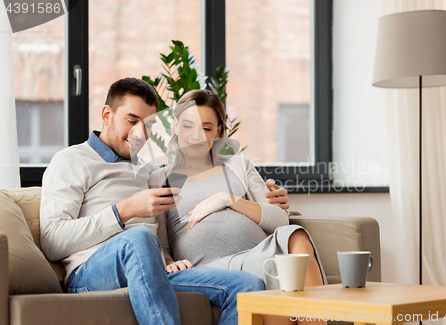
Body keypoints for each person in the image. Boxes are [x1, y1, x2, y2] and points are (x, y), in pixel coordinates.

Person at [39, 78, 290, 325]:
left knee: (247, 285)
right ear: (107, 114)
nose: (140, 134)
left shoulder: (152, 173)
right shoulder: (71, 160)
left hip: (152, 270)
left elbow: (163, 229)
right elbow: (52, 241)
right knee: (139, 237)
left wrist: (167, 260)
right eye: (131, 121)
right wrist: (122, 211)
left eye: (148, 125)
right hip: (92, 272)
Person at [150, 89, 326, 324]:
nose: (196, 136)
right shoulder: (161, 179)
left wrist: (228, 199)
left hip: (256, 252)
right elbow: (159, 241)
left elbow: (279, 219)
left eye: (207, 127)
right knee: (275, 266)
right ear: (175, 126)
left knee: (295, 235)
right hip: (210, 266)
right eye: (188, 125)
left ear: (219, 131)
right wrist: (169, 262)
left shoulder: (239, 166)